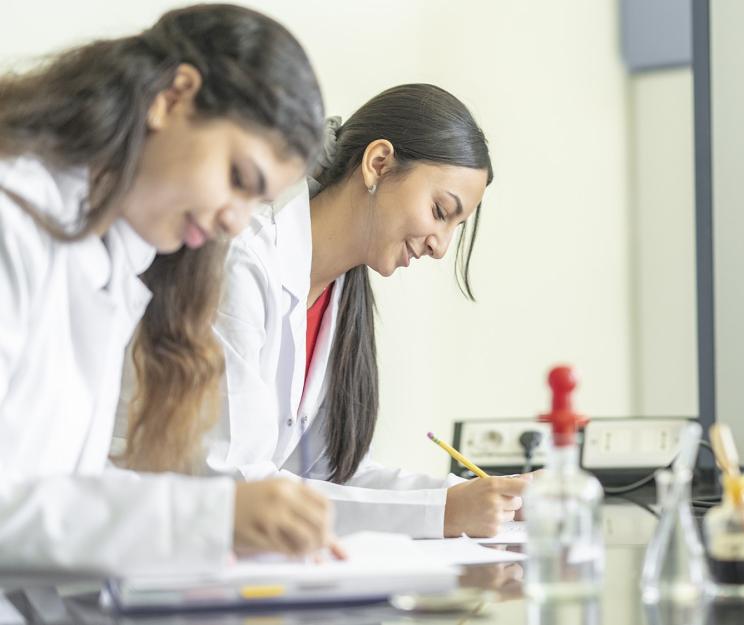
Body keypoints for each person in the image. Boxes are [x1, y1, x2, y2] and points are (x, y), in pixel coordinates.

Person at [0, 4, 336, 574]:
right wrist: (207, 518)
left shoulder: (112, 263)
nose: (236, 221)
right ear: (173, 96)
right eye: (239, 179)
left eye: (258, 202)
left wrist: (214, 525)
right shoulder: (14, 219)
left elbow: (53, 489)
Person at [203, 84, 528, 539]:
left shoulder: (341, 293)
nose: (441, 246)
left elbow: (332, 475)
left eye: (455, 227)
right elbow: (232, 484)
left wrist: (487, 499)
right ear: (378, 164)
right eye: (439, 211)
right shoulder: (243, 262)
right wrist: (441, 511)